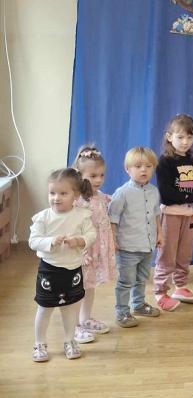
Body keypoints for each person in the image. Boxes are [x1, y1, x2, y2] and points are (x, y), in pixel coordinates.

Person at [30, 168, 96, 362]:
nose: (56, 198)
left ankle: (69, 341)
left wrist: (80, 240)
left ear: (76, 195)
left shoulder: (82, 215)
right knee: (45, 308)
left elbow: (91, 234)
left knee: (69, 308)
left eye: (63, 193)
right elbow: (33, 241)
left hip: (73, 269)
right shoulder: (43, 217)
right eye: (52, 193)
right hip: (49, 270)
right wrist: (50, 241)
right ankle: (39, 343)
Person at [108, 147, 163, 328]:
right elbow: (113, 218)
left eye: (148, 166)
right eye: (138, 166)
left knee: (142, 278)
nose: (143, 170)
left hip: (148, 246)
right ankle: (122, 312)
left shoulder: (154, 191)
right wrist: (113, 240)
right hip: (128, 248)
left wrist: (160, 233)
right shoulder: (122, 193)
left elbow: (156, 215)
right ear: (127, 169)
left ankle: (138, 305)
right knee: (126, 281)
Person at [154, 113, 193, 310]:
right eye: (180, 137)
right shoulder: (164, 161)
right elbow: (166, 195)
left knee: (184, 253)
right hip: (172, 215)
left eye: (189, 137)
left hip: (190, 215)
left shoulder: (190, 159)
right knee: (167, 254)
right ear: (169, 137)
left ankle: (180, 286)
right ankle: (160, 292)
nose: (185, 142)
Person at [72, 145, 116, 342]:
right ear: (80, 176)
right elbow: (72, 228)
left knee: (90, 286)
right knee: (78, 288)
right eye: (93, 176)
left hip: (97, 250)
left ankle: (85, 318)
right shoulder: (77, 201)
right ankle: (73, 326)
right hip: (84, 251)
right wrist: (81, 252)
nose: (98, 180)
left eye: (101, 175)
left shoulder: (100, 197)